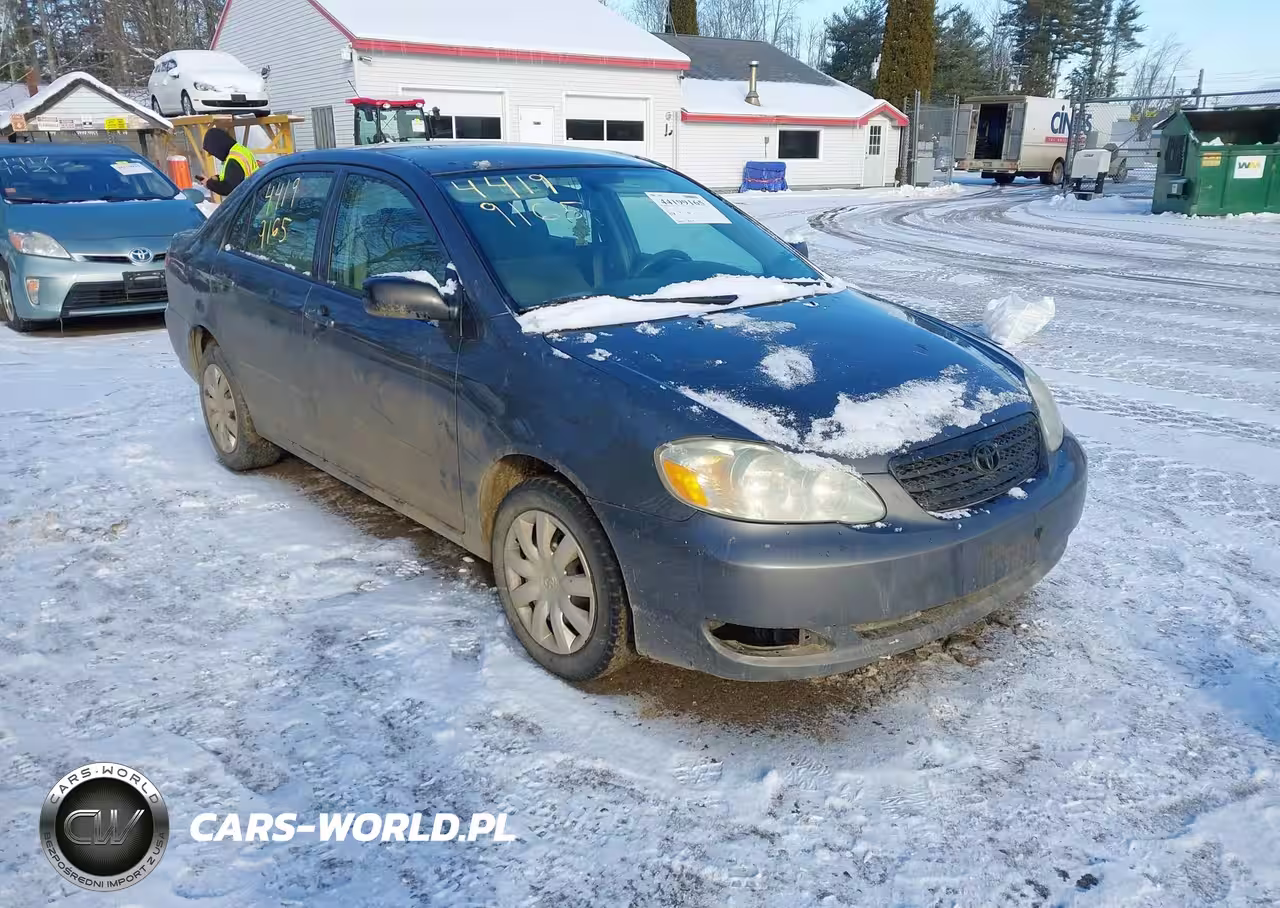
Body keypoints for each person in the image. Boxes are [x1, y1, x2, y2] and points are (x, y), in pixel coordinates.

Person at [197, 127, 258, 198]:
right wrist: (216, 179)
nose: (214, 155)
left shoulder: (233, 159)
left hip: (246, 200)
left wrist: (209, 184)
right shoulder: (240, 151)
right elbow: (236, 177)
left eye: (213, 152)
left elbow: (228, 188)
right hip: (252, 196)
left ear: (217, 147)